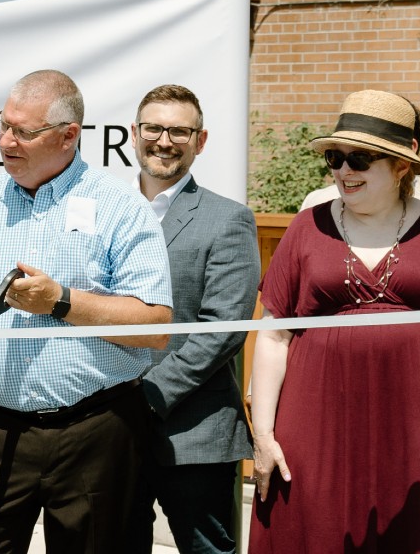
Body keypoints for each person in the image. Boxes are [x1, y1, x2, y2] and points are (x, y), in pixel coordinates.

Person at [0, 70, 175, 553]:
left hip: (96, 431)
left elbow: (157, 328)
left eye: (24, 131)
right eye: (3, 125)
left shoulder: (121, 207)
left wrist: (60, 302)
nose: (6, 141)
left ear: (68, 136)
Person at [247, 89, 420, 553]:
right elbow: (273, 337)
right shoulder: (305, 227)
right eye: (335, 158)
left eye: (359, 159)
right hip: (313, 431)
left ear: (401, 166)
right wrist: (264, 435)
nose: (343, 171)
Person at [128, 85, 259, 554]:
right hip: (109, 429)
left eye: (180, 130)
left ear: (199, 141)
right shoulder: (104, 212)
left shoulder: (228, 220)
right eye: (154, 128)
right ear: (134, 133)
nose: (164, 140)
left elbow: (222, 327)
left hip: (195, 432)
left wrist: (146, 394)